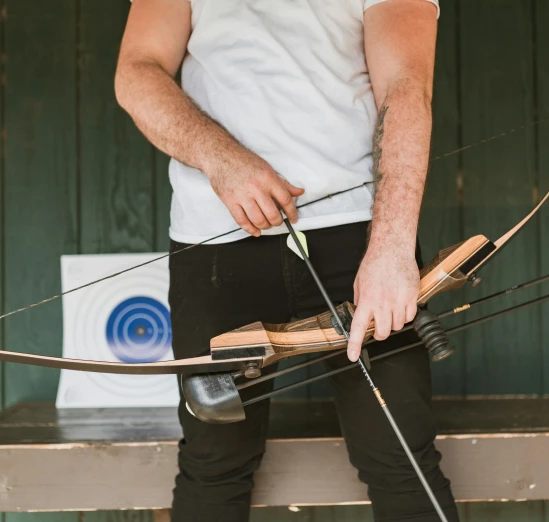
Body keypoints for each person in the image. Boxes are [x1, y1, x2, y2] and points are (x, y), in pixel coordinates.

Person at [115, 0, 458, 520]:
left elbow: (406, 86)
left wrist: (390, 249)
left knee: (401, 456)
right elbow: (137, 71)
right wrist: (221, 158)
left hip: (359, 237)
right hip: (215, 243)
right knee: (214, 464)